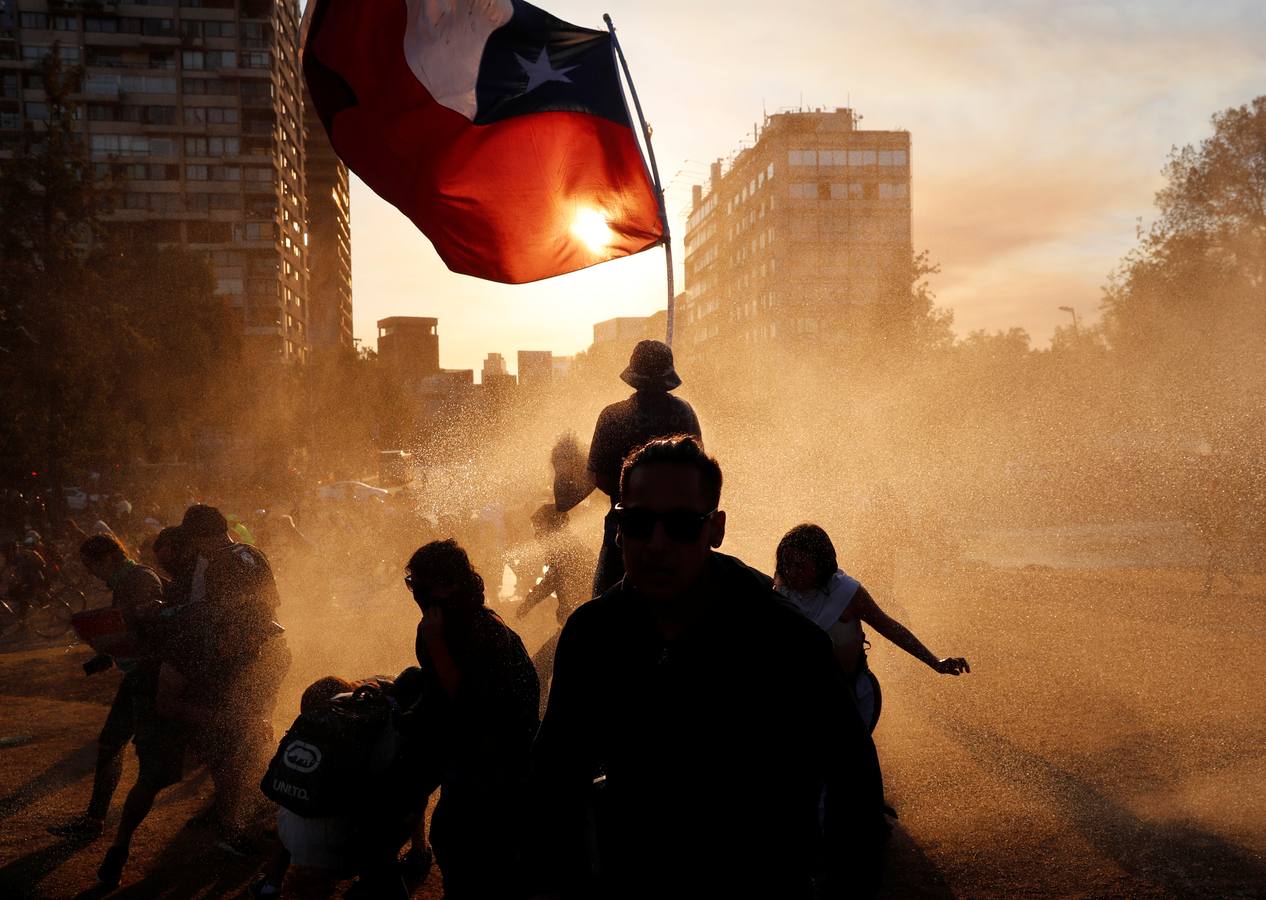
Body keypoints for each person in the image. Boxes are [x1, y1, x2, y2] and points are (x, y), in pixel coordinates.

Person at [530, 436, 887, 899]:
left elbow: (853, 786)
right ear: (616, 528)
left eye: (681, 525)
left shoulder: (783, 639)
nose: (656, 544)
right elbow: (554, 780)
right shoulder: (592, 635)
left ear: (715, 529)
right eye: (638, 523)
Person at [400, 539, 539, 899]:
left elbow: (469, 704)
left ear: (449, 584)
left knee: (466, 843)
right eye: (412, 583)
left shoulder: (485, 631)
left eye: (421, 584)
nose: (416, 592)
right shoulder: (438, 622)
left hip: (500, 759)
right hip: (467, 748)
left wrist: (435, 644)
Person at [52, 535, 184, 890]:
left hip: (152, 676)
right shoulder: (129, 579)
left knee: (140, 755)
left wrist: (112, 644)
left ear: (109, 557)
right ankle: (96, 818)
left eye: (92, 566)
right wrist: (104, 654)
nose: (92, 574)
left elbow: (149, 629)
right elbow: (131, 629)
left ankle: (102, 824)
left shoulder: (137, 578)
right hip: (142, 675)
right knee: (113, 743)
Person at [157, 504, 290, 853]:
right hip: (272, 651)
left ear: (200, 537)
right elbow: (272, 602)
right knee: (248, 732)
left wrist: (213, 658)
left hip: (247, 661)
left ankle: (237, 824)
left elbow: (221, 623)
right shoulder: (252, 553)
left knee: (233, 739)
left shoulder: (219, 564)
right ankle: (249, 808)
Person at [774, 524, 969, 731]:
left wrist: (934, 661)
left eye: (800, 565)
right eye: (786, 563)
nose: (791, 571)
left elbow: (890, 627)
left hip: (853, 699)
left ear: (821, 565)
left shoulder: (847, 593)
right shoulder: (779, 590)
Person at [553, 340, 702, 595]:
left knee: (606, 605)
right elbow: (699, 471)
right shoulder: (684, 412)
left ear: (633, 376)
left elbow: (599, 477)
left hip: (627, 527)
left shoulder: (613, 416)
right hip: (681, 528)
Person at [514, 505, 595, 705]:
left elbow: (556, 582)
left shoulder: (569, 551)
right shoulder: (567, 549)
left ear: (553, 528)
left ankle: (541, 720)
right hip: (576, 627)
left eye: (539, 528)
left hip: (579, 629)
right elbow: (552, 580)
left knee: (537, 668)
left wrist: (528, 604)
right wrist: (528, 604)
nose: (536, 536)